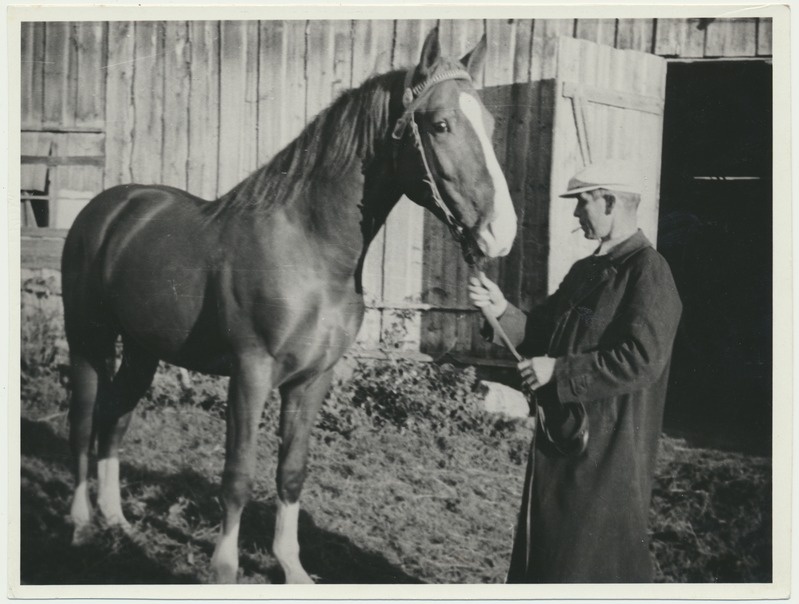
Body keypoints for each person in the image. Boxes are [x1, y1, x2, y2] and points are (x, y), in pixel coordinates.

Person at [468, 159, 682, 583]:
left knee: (587, 561)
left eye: (581, 203)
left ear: (609, 202)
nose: (575, 213)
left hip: (608, 451)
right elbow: (544, 331)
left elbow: (642, 358)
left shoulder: (648, 272)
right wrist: (500, 311)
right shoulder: (587, 272)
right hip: (565, 438)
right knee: (550, 553)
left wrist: (559, 372)